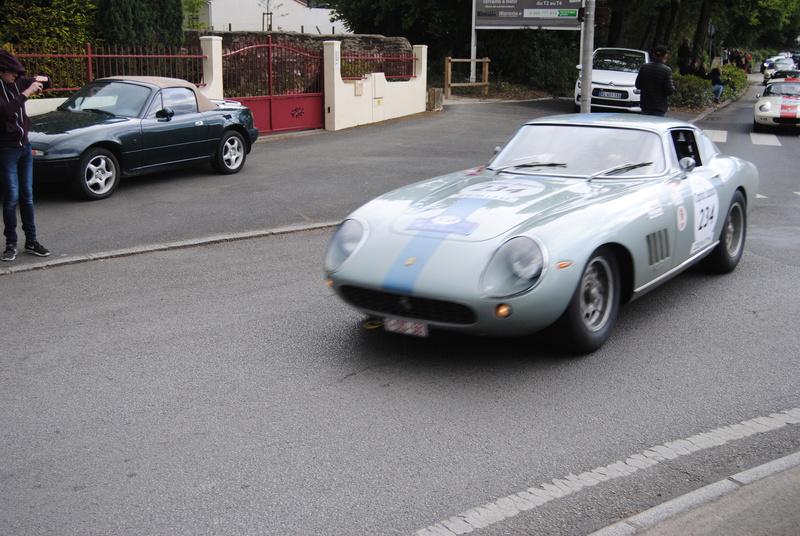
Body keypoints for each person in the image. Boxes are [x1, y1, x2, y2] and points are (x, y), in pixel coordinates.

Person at [0, 50, 51, 261]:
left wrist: (42, 81)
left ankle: (31, 240)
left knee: (27, 196)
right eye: (12, 73)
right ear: (1, 72)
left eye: (18, 73)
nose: (16, 76)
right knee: (11, 198)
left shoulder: (20, 82)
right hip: (6, 150)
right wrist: (27, 92)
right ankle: (10, 243)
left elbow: (46, 83)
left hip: (24, 147)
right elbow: (6, 112)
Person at [635, 45, 676, 117]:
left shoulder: (644, 68)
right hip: (660, 106)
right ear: (665, 56)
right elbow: (669, 90)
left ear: (653, 55)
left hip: (645, 105)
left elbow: (638, 85)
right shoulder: (666, 70)